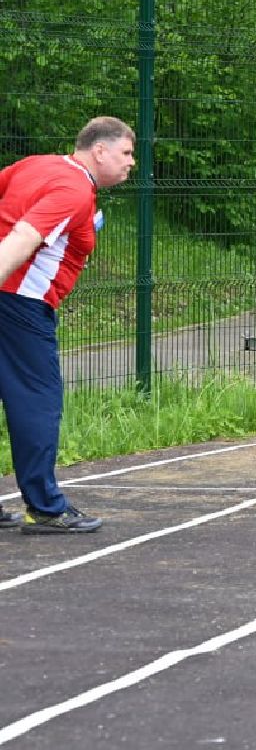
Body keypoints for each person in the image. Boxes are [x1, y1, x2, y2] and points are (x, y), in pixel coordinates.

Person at [0, 116, 136, 533]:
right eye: (127, 153)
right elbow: (23, 237)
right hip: (20, 307)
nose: (132, 162)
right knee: (38, 402)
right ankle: (45, 507)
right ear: (100, 150)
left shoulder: (35, 165)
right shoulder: (74, 189)